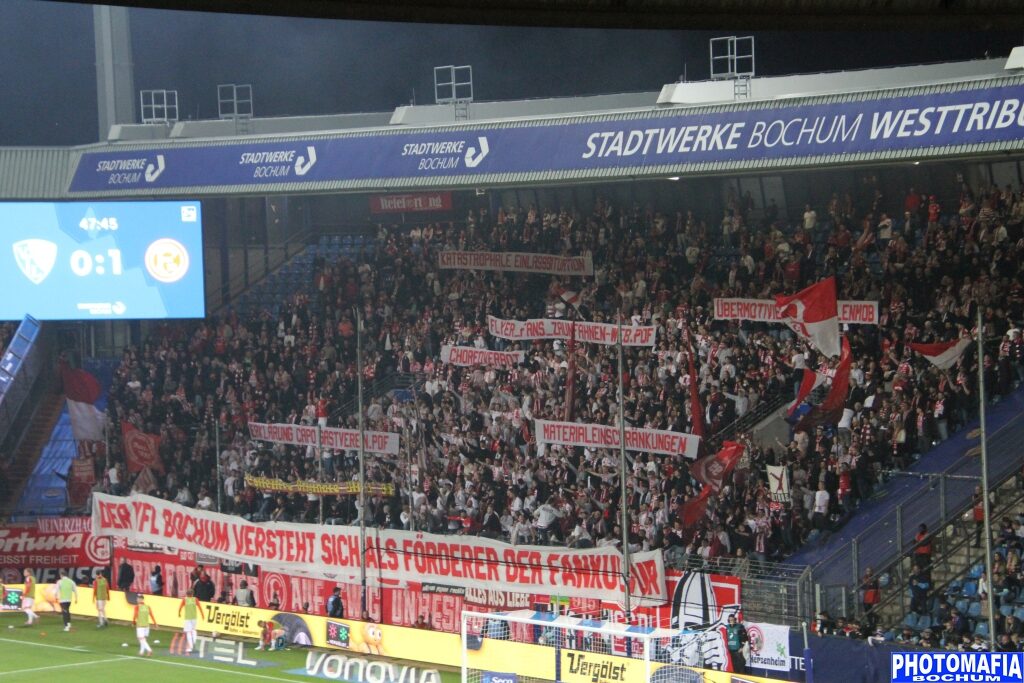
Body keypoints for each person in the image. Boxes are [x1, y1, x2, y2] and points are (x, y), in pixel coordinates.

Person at [177, 588, 205, 655]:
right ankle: (193, 644)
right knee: (194, 631)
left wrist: (179, 613)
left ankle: (190, 647)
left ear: (187, 594)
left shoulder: (185, 599)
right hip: (194, 618)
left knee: (189, 632)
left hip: (187, 618)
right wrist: (202, 615)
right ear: (192, 594)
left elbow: (180, 607)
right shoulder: (195, 599)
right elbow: (200, 607)